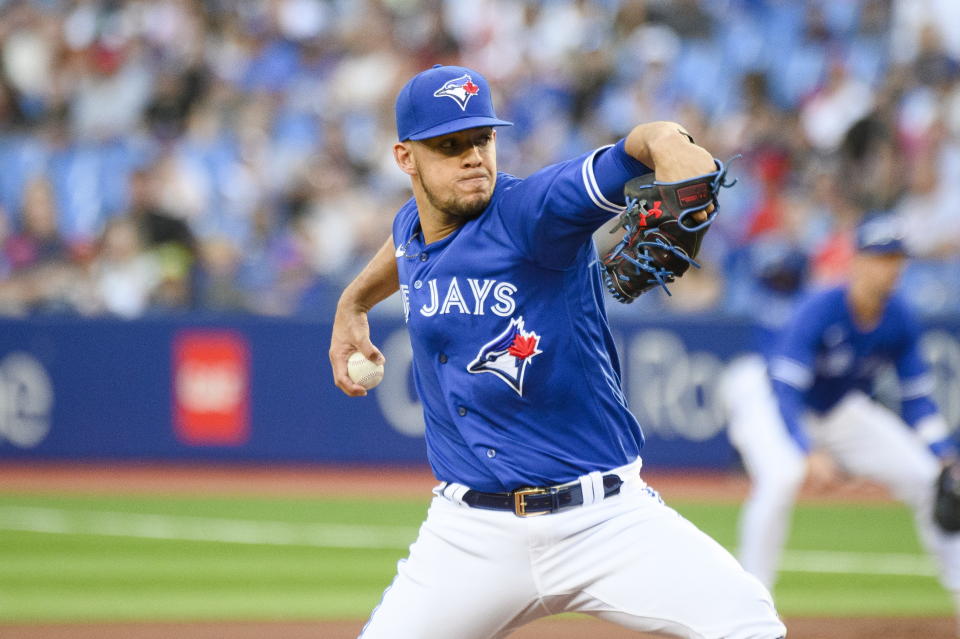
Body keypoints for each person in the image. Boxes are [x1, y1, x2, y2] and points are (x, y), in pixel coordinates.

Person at [329, 64, 785, 639]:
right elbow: (406, 247)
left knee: (748, 623)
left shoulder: (532, 213)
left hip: (605, 520)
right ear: (405, 159)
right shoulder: (412, 230)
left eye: (482, 138)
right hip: (470, 536)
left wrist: (667, 139)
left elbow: (632, 151)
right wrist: (352, 303)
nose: (473, 156)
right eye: (449, 146)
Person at [719, 214, 960, 621]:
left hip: (836, 408)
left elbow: (917, 397)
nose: (892, 268)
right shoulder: (822, 306)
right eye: (883, 258)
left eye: (898, 259)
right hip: (771, 399)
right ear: (858, 262)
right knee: (782, 478)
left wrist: (945, 455)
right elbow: (786, 388)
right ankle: (749, 611)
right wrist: (805, 449)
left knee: (929, 480)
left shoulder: (900, 316)